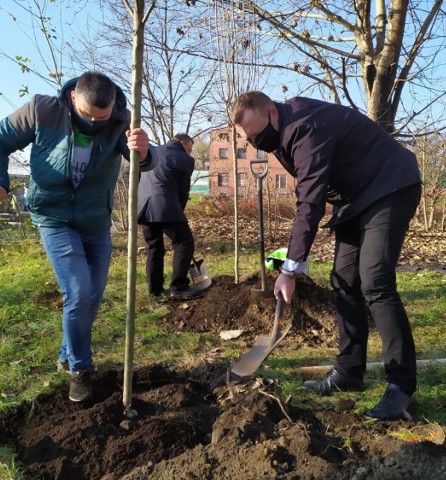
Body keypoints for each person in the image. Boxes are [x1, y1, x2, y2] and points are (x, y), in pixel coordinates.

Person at [232, 91, 422, 421]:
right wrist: (290, 260)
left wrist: (289, 270)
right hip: (356, 198)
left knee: (375, 281)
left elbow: (310, 201)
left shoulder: (304, 127)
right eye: (248, 139)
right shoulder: (285, 132)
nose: (255, 144)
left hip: (390, 186)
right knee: (345, 280)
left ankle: (400, 387)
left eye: (256, 134)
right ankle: (349, 371)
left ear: (273, 114)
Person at [0, 71, 157, 403]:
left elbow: (144, 160)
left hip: (94, 220)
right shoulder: (41, 110)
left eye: (99, 118)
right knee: (78, 289)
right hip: (54, 216)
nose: (93, 122)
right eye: (87, 115)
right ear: (73, 96)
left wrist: (144, 151)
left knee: (93, 294)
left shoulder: (121, 119)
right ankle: (80, 368)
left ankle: (66, 352)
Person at [137, 133, 202, 300]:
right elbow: (183, 190)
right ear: (183, 142)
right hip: (166, 206)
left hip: (144, 208)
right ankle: (178, 287)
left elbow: (132, 173)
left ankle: (155, 291)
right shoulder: (184, 159)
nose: (190, 151)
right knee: (184, 243)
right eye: (190, 147)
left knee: (154, 248)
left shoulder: (151, 151)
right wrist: (179, 209)